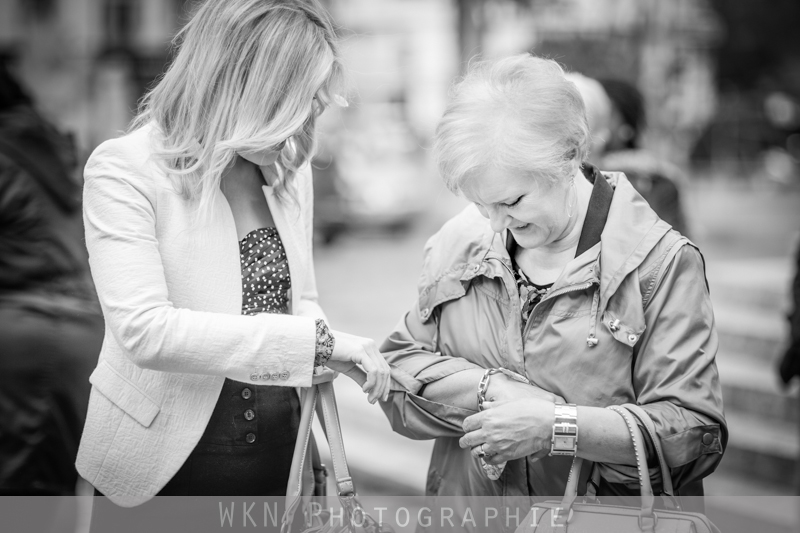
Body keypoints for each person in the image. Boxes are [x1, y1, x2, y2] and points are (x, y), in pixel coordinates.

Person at [380, 55, 726, 525]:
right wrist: (488, 389)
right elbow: (396, 369)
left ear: (571, 155)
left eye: (513, 201)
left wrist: (559, 429)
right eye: (481, 204)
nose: (496, 223)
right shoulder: (459, 242)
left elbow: (694, 433)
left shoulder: (660, 265)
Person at [78, 0, 391, 513]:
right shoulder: (125, 170)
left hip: (279, 459)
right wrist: (314, 343)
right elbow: (145, 331)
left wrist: (336, 352)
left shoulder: (289, 171)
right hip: (159, 475)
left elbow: (301, 300)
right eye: (297, 101)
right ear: (246, 85)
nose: (305, 122)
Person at [0, 60, 104, 528]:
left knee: (25, 500)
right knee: (48, 494)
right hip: (81, 331)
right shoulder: (56, 150)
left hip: (26, 339)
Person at [596, 77, 690, 236]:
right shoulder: (573, 176)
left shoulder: (656, 180)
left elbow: (672, 247)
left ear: (627, 125)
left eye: (606, 113)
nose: (594, 120)